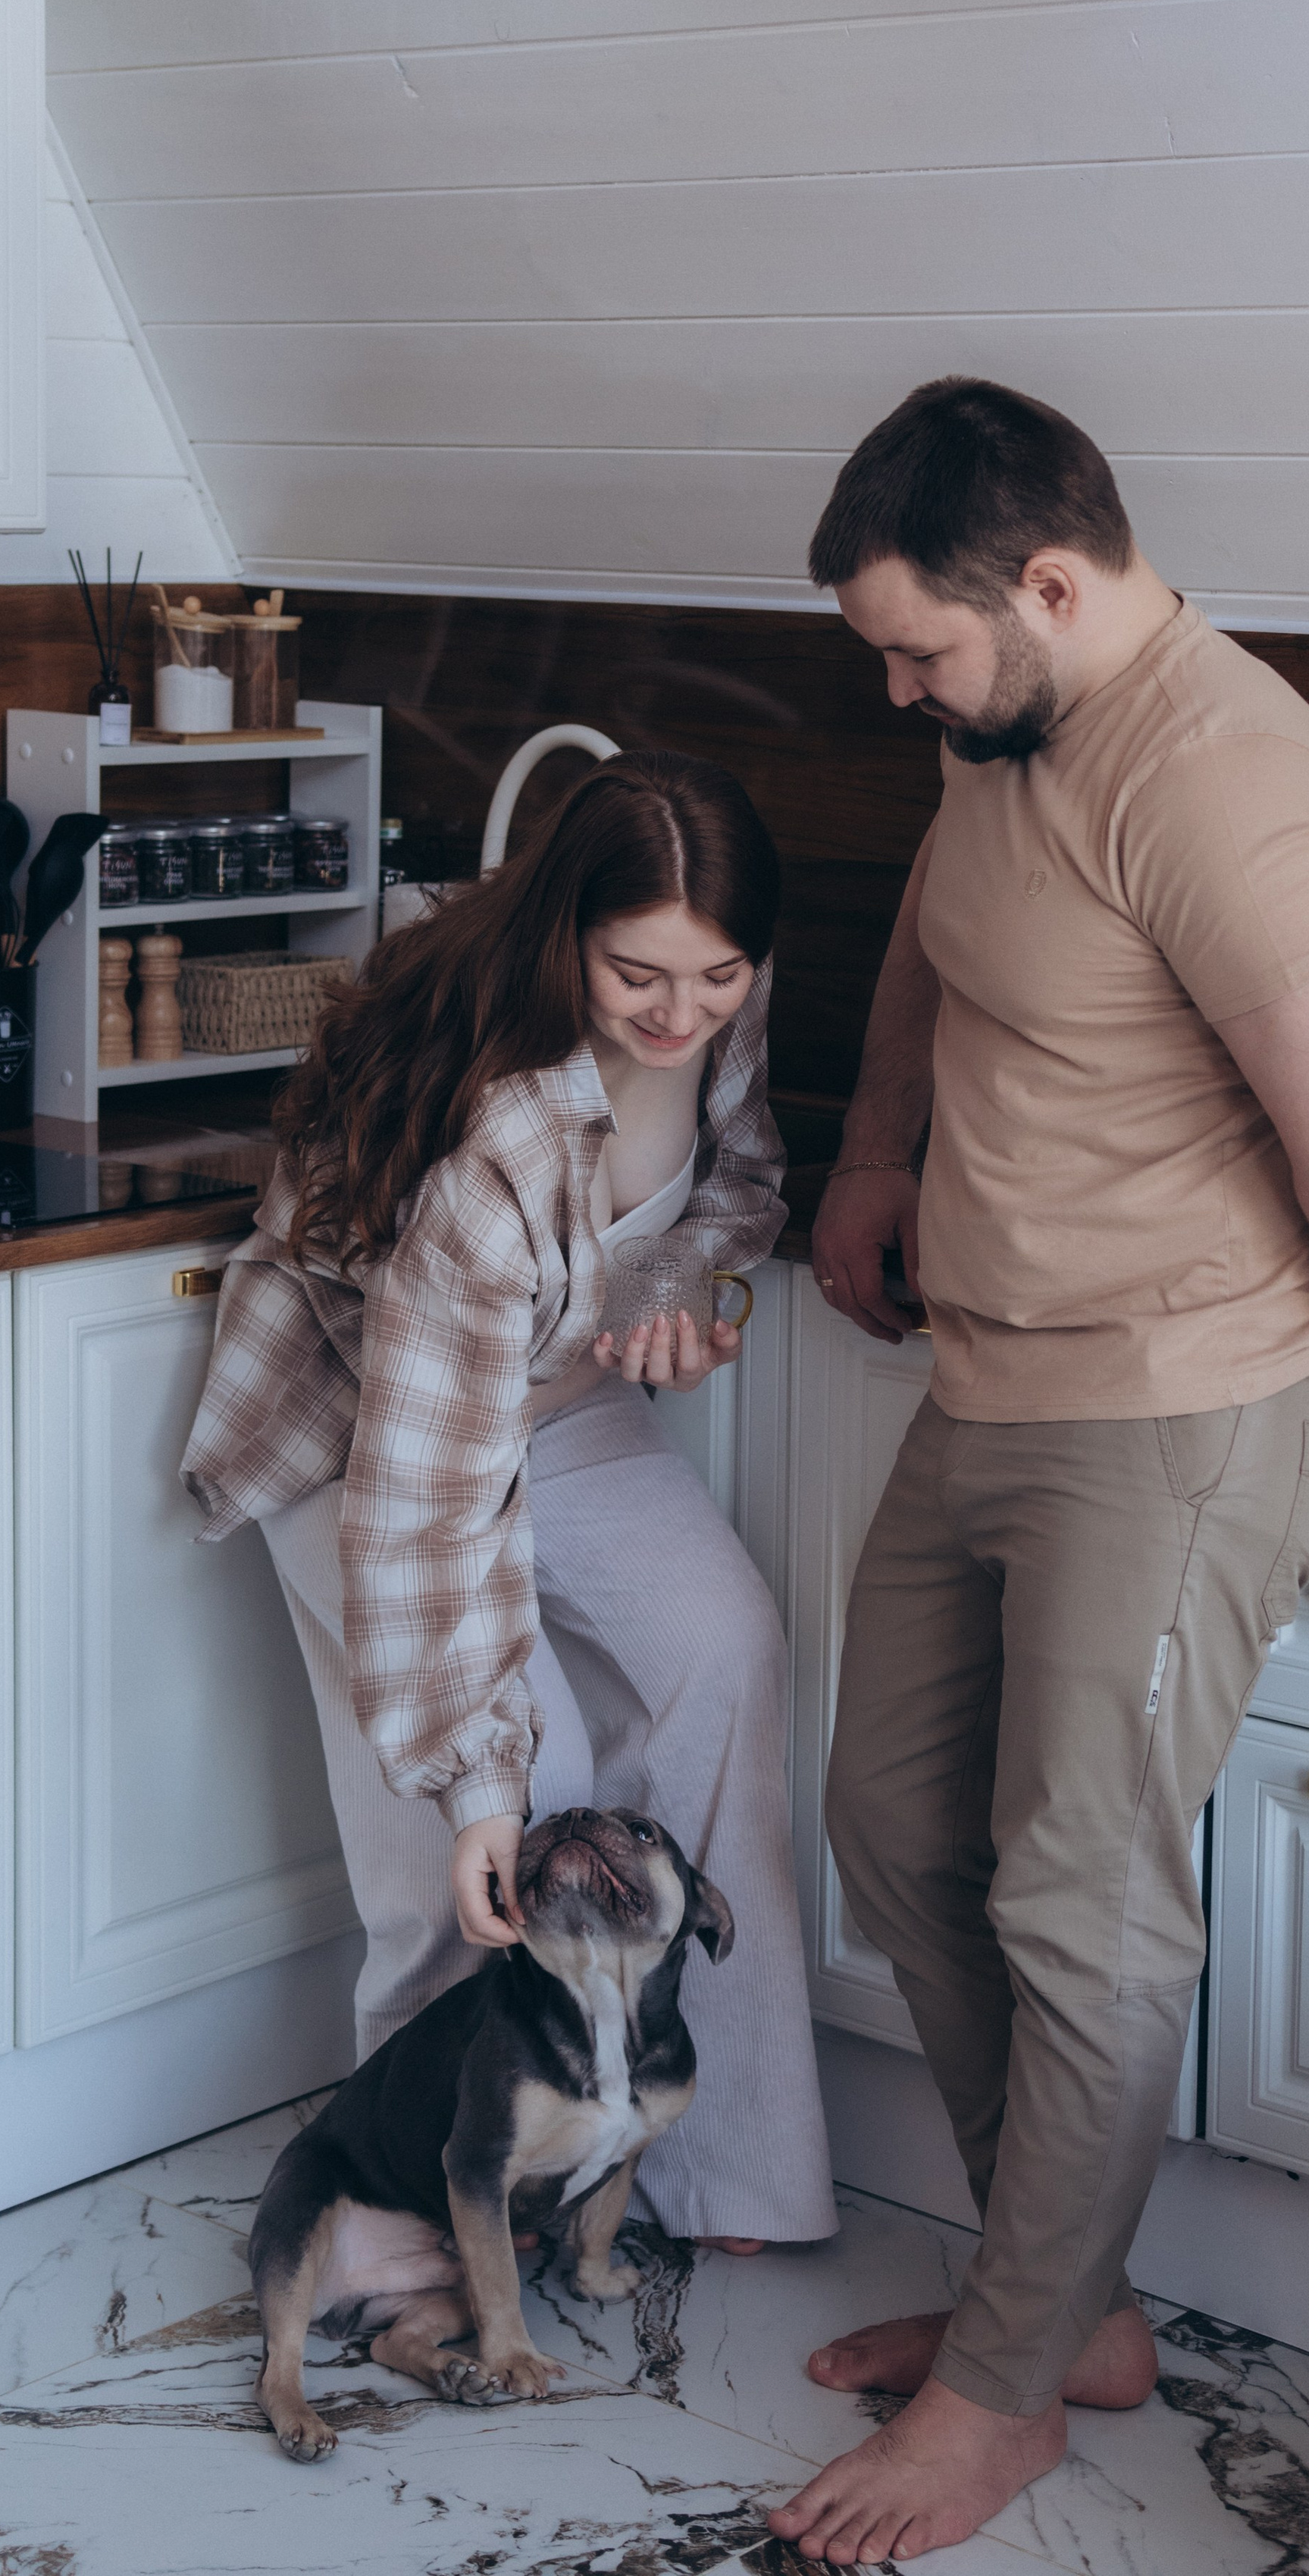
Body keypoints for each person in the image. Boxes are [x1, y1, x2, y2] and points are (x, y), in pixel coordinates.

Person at [768, 380, 1309, 2562]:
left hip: (1175, 1406)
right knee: (891, 1821)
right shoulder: (1008, 727)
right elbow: (937, 929)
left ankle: (1005, 2386)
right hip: (989, 1379)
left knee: (1080, 1902)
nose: (898, 691)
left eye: (918, 651)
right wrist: (874, 1147)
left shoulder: (1231, 785)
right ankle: (1060, 2304)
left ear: (1052, 585)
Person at [182, 749, 836, 2253]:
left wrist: (682, 1286)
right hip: (371, 1441)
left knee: (722, 1644)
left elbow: (740, 1182)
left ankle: (707, 2153)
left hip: (559, 1398)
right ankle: (406, 2219)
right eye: (636, 977)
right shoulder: (500, 1134)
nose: (679, 1015)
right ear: (564, 936)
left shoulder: (714, 1000)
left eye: (717, 977)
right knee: (485, 1826)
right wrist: (478, 1779)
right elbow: (431, 1498)